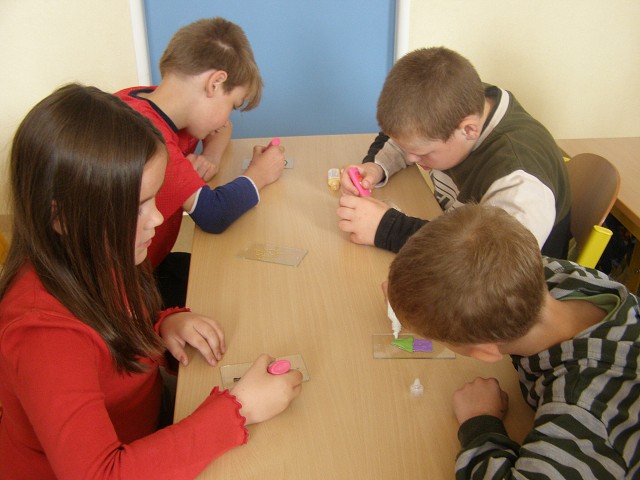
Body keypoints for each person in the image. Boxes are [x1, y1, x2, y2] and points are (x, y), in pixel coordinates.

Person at [0, 84, 302, 479]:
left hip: (144, 429)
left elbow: (112, 332)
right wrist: (239, 410)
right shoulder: (43, 335)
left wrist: (162, 326)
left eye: (153, 198)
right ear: (62, 218)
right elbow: (100, 474)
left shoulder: (99, 251)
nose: (158, 219)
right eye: (137, 207)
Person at [386, 204, 640, 479]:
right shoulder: (555, 274)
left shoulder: (584, 412)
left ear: (486, 352)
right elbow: (464, 263)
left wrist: (479, 421)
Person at [115, 17, 285, 308]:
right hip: (125, 292)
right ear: (215, 83)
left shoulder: (146, 99)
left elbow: (223, 128)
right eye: (232, 105)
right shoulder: (145, 137)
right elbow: (213, 215)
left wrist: (211, 157)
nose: (228, 117)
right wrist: (259, 173)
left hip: (152, 263)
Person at [337, 47, 571, 258]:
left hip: (510, 278)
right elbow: (406, 137)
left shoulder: (518, 183)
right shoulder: (458, 104)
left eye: (422, 153)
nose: (410, 158)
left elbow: (486, 263)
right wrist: (375, 167)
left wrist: (387, 229)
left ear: (468, 130)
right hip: (456, 229)